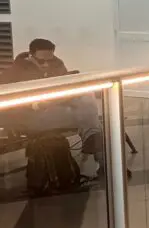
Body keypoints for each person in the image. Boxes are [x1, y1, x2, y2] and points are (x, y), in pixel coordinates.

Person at [0, 38, 104, 170]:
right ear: (30, 56)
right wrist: (34, 105)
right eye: (41, 61)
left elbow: (65, 85)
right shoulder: (14, 72)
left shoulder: (57, 64)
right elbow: (6, 100)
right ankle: (97, 148)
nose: (46, 65)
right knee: (90, 119)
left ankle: (93, 139)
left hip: (57, 107)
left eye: (49, 60)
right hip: (31, 116)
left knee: (87, 95)